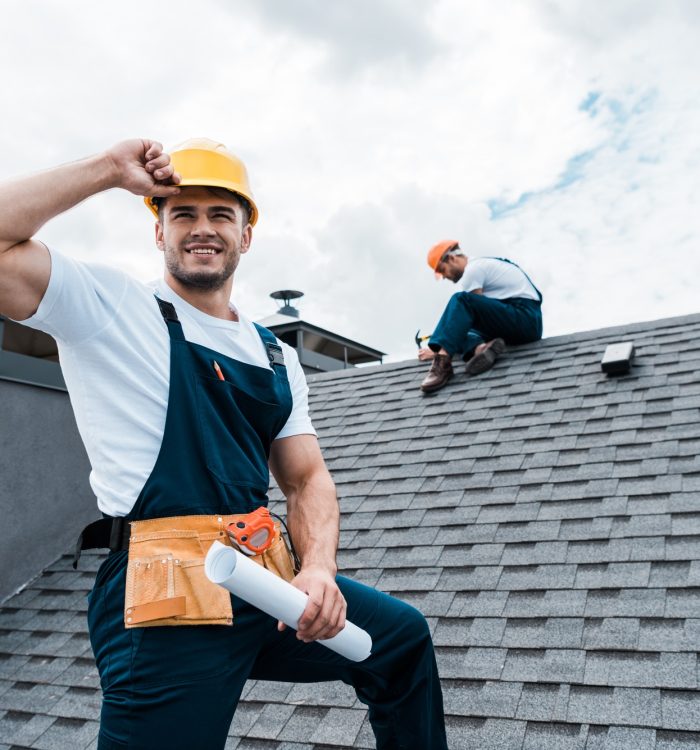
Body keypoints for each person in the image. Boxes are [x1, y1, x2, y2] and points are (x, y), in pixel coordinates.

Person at [0, 138, 448, 750]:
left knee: (400, 642)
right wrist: (107, 170)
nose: (202, 229)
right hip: (165, 598)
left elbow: (305, 478)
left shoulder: (275, 354)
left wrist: (318, 569)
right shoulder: (112, 308)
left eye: (220, 215)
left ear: (246, 235)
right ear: (159, 232)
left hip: (263, 579)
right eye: (182, 214)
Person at [419, 239, 543, 393]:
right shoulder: (481, 266)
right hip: (519, 321)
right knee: (458, 327)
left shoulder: (473, 270)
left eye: (442, 270)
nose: (444, 277)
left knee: (461, 300)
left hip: (524, 317)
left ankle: (442, 363)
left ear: (451, 258)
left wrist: (439, 349)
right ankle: (480, 349)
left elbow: (465, 317)